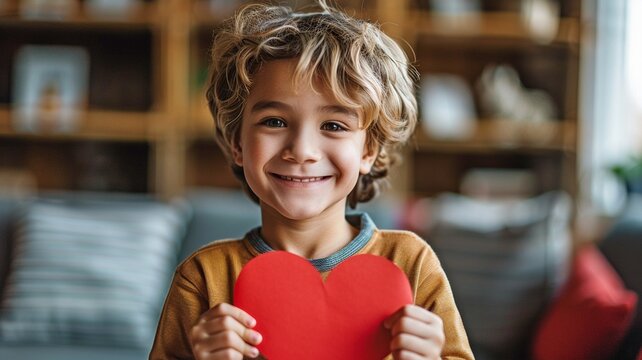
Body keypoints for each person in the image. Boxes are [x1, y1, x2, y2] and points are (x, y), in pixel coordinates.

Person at [150, 1, 473, 359]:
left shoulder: (411, 265)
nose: (302, 150)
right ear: (237, 142)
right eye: (274, 121)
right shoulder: (204, 278)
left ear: (369, 151)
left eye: (334, 126)